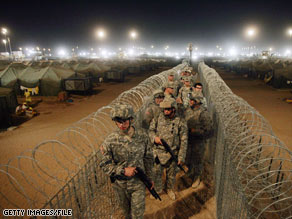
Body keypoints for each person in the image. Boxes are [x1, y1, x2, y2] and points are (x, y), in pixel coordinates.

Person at [100, 105, 154, 219]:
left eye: (124, 121)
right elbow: (105, 165)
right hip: (120, 185)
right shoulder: (110, 141)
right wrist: (123, 171)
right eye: (118, 122)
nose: (121, 125)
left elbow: (148, 158)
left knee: (137, 215)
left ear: (131, 119)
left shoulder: (143, 136)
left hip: (138, 183)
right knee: (126, 214)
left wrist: (149, 178)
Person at [149, 98, 188, 200]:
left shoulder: (180, 122)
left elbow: (184, 140)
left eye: (168, 109)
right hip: (158, 151)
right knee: (157, 173)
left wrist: (181, 157)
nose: (165, 111)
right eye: (164, 109)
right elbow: (150, 131)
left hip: (172, 153)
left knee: (171, 175)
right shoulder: (157, 118)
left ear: (174, 109)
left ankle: (169, 189)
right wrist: (154, 138)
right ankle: (157, 189)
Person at [184, 94, 213, 188]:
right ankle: (190, 170)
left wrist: (195, 131)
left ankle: (197, 177)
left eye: (192, 100)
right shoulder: (188, 110)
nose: (190, 101)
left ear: (198, 102)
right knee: (188, 157)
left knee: (198, 160)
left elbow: (209, 131)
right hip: (188, 140)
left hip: (198, 141)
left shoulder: (203, 113)